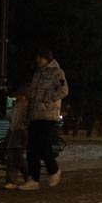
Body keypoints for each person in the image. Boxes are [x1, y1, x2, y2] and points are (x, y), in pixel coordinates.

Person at [24, 48, 68, 188]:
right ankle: (34, 180)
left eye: (40, 58)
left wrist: (47, 99)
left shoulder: (57, 72)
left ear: (47, 58)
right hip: (34, 115)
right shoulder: (37, 73)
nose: (38, 60)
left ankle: (54, 170)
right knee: (31, 149)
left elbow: (63, 90)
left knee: (43, 145)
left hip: (47, 115)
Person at [2, 84, 32, 190]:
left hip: (20, 134)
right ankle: (27, 177)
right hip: (15, 134)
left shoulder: (25, 107)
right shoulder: (19, 106)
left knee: (15, 157)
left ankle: (17, 180)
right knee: (16, 157)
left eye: (19, 95)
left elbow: (21, 121)